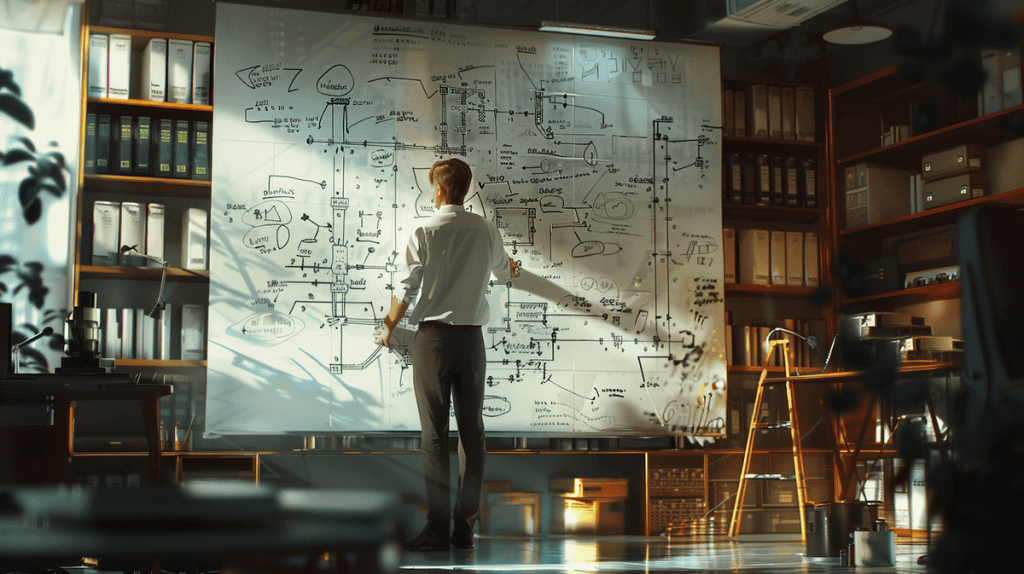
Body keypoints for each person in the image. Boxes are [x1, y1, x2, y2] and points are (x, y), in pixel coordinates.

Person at [378, 158, 517, 551]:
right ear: (466, 189)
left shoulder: (422, 229)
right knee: (472, 436)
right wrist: (512, 267)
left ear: (437, 189)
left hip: (433, 343)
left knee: (434, 439)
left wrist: (389, 327)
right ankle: (464, 528)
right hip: (471, 342)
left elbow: (406, 289)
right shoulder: (486, 229)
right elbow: (504, 272)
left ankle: (437, 529)